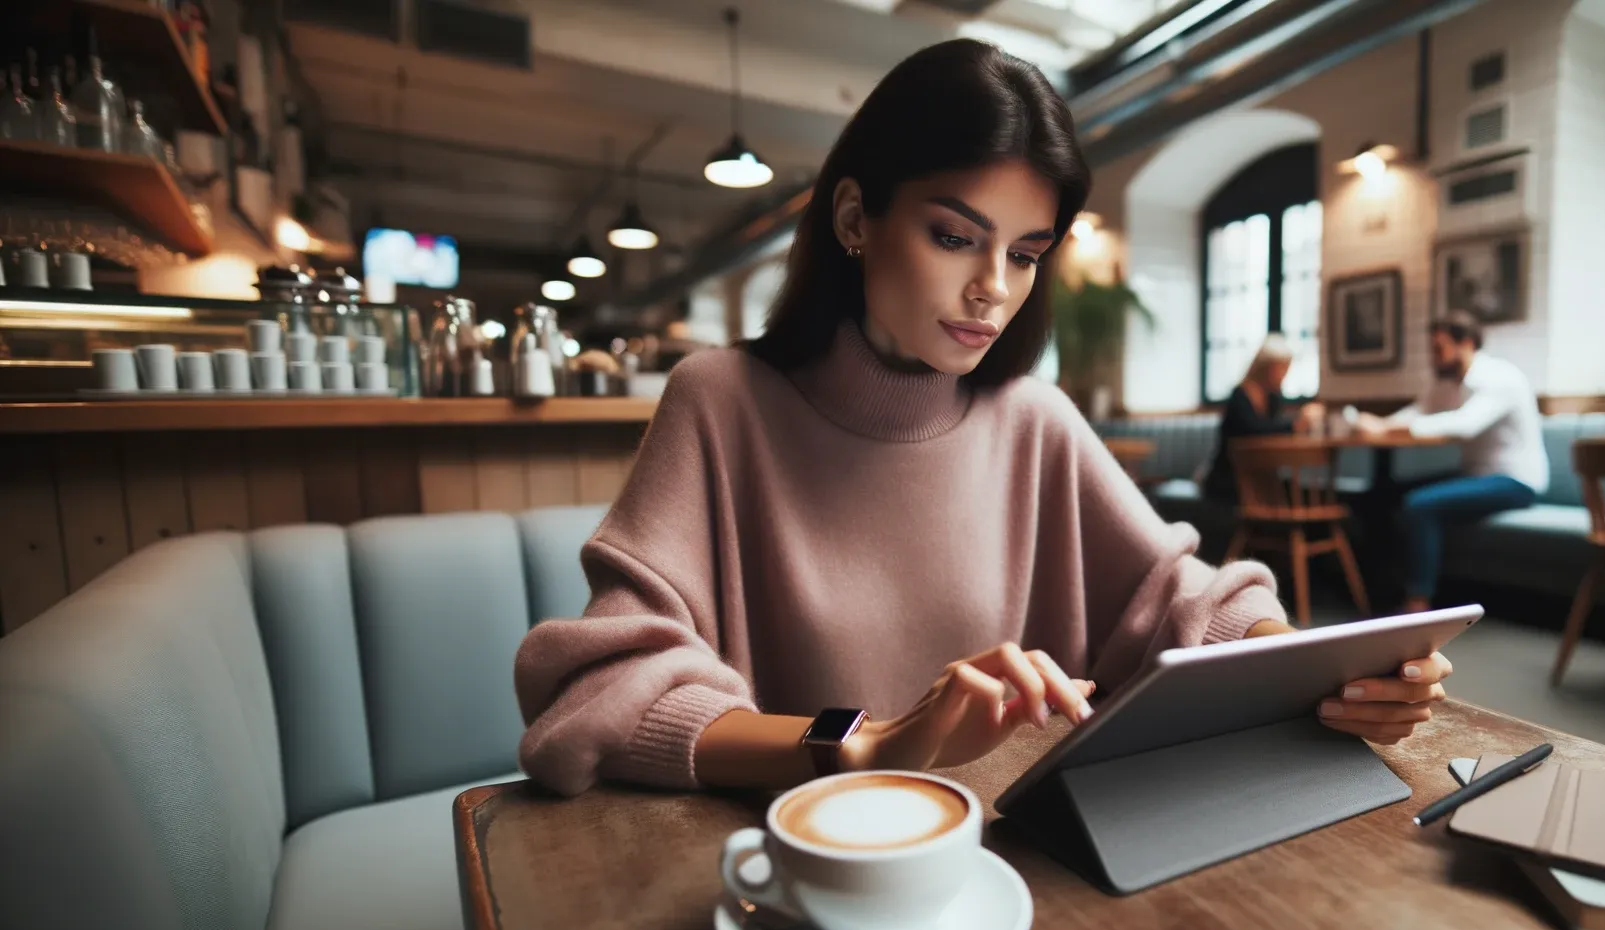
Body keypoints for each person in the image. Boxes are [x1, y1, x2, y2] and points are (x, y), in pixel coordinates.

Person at [512, 40, 1453, 796]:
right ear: (854, 217)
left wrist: (1317, 673)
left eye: (1026, 251)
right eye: (954, 236)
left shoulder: (1032, 417)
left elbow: (1184, 599)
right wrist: (870, 743)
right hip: (804, 878)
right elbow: (604, 696)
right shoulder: (719, 400)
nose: (991, 290)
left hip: (1028, 866)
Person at [1353, 310, 1547, 613]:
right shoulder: (1448, 382)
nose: (1434, 357)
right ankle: (1379, 589)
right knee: (1382, 494)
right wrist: (1380, 422)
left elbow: (1464, 424)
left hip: (1514, 481)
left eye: (1439, 348)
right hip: (1475, 475)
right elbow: (1420, 411)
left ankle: (1418, 602)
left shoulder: (1499, 378)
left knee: (1420, 505)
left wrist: (1385, 429)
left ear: (1466, 343)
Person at [1205, 334, 1324, 502]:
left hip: (1261, 475)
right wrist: (1294, 425)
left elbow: (1271, 430)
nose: (1284, 375)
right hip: (1231, 476)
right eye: (1281, 368)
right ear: (1266, 367)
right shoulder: (1240, 397)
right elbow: (1253, 430)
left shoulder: (1273, 399)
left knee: (1296, 492)